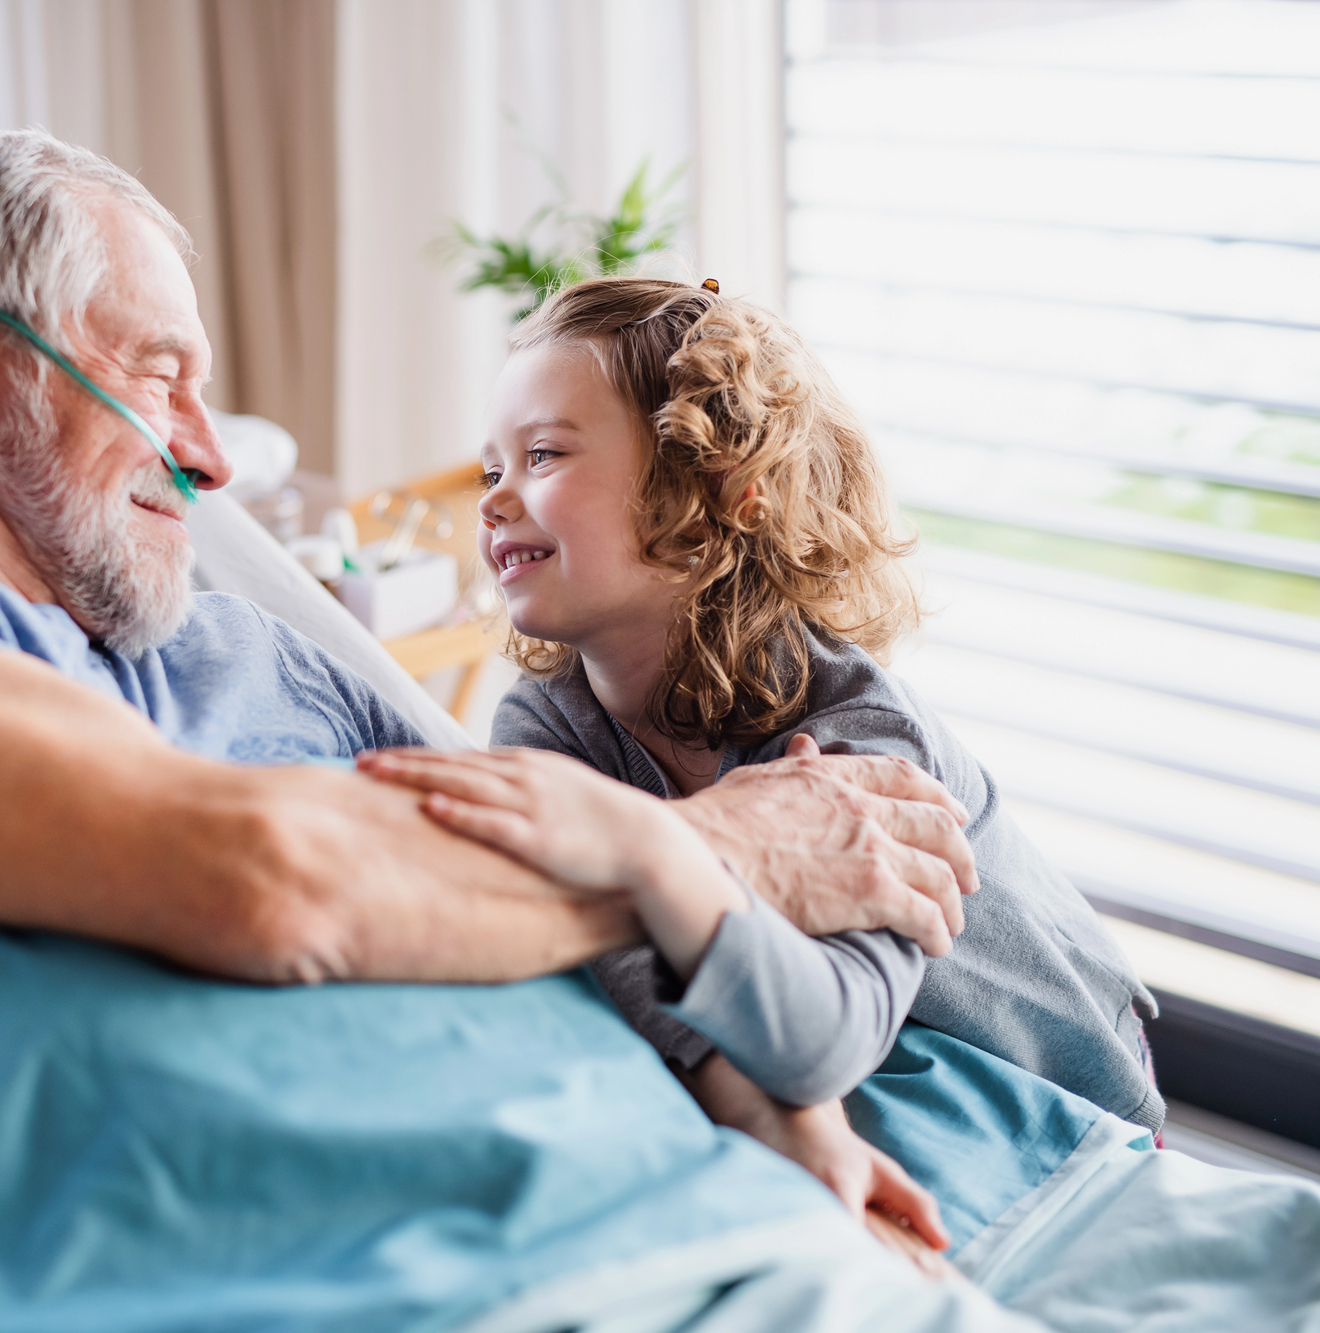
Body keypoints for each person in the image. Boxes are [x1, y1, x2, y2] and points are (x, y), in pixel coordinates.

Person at [0, 129, 979, 1244]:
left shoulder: (256, 650)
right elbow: (260, 883)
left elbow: (526, 881)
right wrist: (726, 846)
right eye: (161, 376)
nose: (213, 456)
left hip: (602, 1206)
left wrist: (768, 1120)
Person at [361, 276, 1163, 1156]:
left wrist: (642, 846)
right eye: (492, 468)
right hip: (911, 1069)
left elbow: (816, 1042)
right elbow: (652, 994)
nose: (492, 498)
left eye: (544, 456)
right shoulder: (545, 728)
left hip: (1065, 1075)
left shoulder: (859, 734)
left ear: (716, 491)